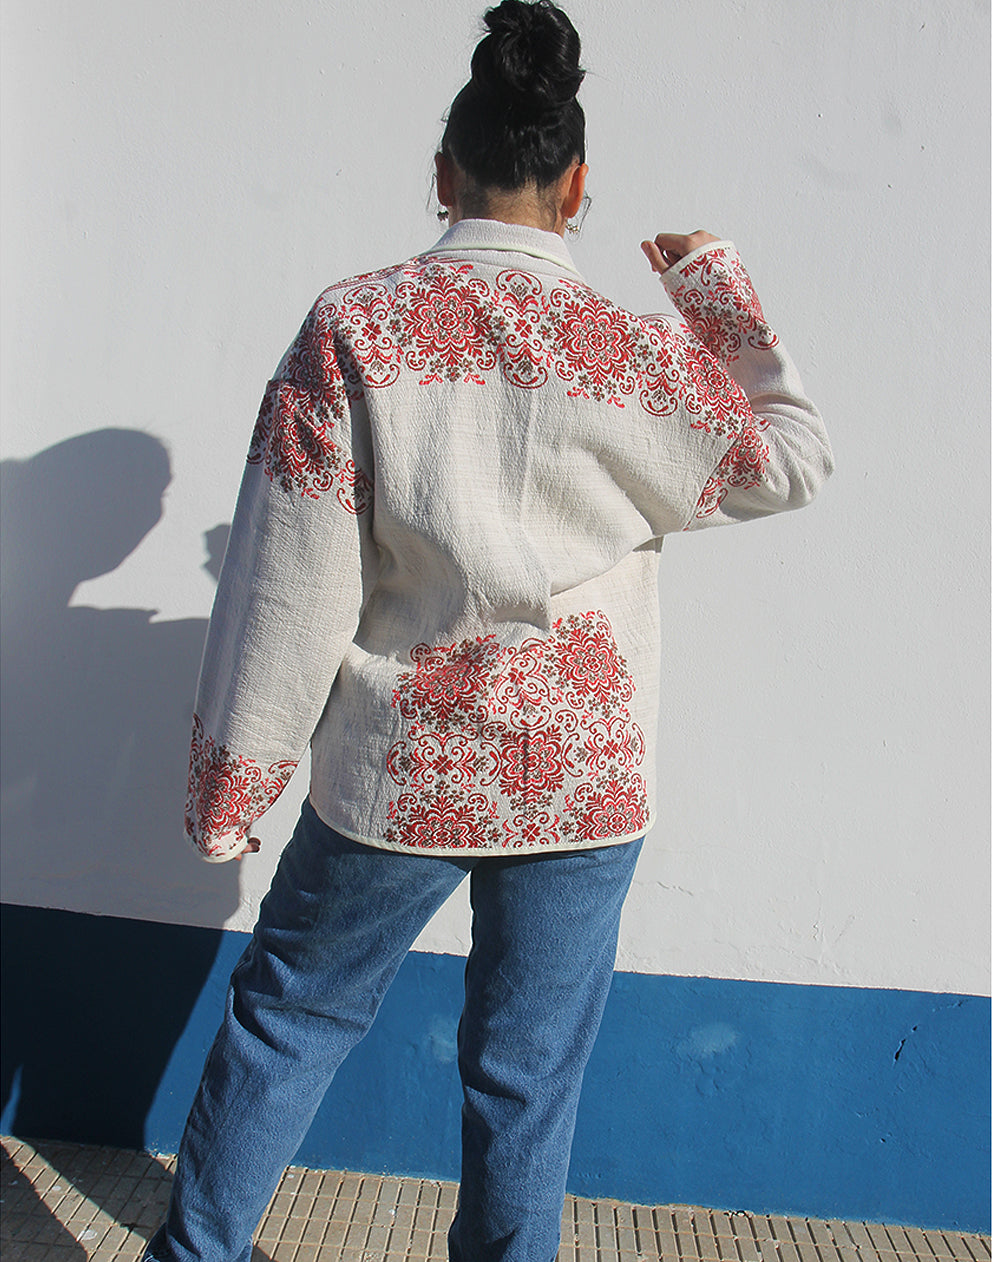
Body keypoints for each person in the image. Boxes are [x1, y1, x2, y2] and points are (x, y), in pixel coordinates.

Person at [143, 1, 833, 1258]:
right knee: (526, 1076)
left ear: (442, 172)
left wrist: (234, 782)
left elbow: (289, 574)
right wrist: (710, 292)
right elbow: (791, 458)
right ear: (576, 188)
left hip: (398, 767)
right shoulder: (632, 350)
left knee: (289, 1016)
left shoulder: (355, 326)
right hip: (581, 781)